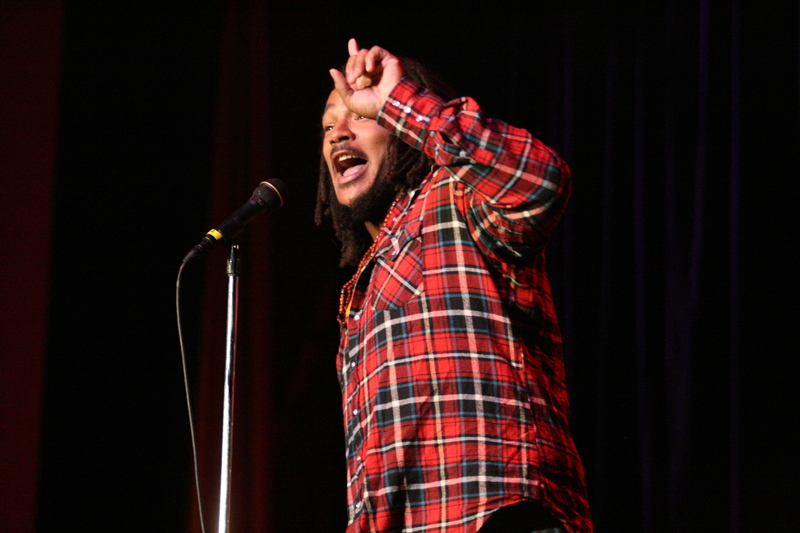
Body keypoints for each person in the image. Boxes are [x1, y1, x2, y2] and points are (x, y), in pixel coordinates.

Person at [315, 39, 592, 533]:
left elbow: (540, 181)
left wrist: (399, 99)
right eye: (328, 126)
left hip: (498, 515)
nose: (338, 133)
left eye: (359, 115)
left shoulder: (455, 195)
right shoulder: (357, 295)